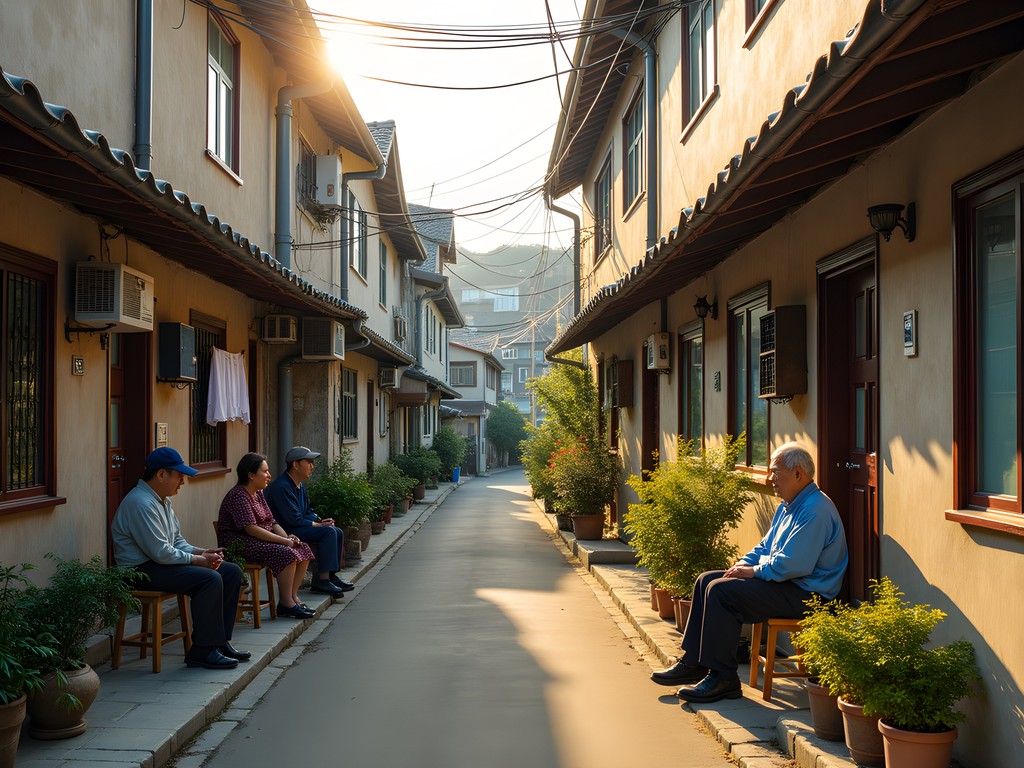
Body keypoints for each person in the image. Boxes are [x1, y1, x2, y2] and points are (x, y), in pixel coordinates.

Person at [651, 442, 849, 703]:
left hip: (809, 595)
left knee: (722, 592)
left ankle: (724, 678)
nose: (771, 479)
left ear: (798, 474)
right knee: (707, 579)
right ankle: (693, 662)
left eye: (776, 472)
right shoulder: (788, 506)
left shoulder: (815, 510)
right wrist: (741, 566)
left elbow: (793, 564)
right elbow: (764, 547)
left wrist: (753, 572)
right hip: (787, 584)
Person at [111, 447, 249, 670]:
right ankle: (202, 651)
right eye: (179, 475)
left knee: (230, 571)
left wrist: (202, 553)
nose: (182, 481)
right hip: (140, 570)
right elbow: (161, 553)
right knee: (209, 579)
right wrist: (199, 561)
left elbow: (177, 542)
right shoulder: (141, 503)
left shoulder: (162, 501)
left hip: (158, 564)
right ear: (161, 474)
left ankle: (220, 641)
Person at [217, 453, 316, 619]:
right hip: (242, 544)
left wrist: (288, 538)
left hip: (259, 541)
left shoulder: (259, 493)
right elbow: (251, 529)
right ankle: (286, 604)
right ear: (250, 474)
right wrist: (284, 542)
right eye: (265, 471)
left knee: (302, 547)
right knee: (286, 553)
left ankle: (293, 597)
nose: (269, 475)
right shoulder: (238, 495)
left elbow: (272, 521)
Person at [263, 446, 355, 596]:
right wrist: (319, 525)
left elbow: (308, 511)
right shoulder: (282, 487)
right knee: (328, 532)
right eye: (309, 462)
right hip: (286, 532)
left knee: (336, 531)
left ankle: (331, 576)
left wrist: (320, 520)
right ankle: (322, 580)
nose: (312, 466)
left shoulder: (300, 486)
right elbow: (293, 519)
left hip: (299, 527)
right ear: (295, 464)